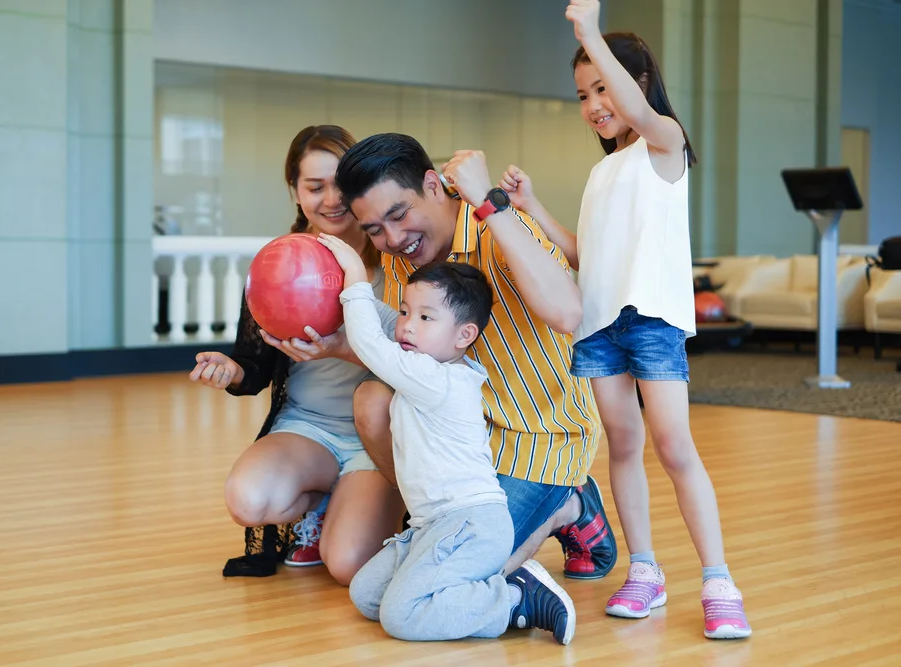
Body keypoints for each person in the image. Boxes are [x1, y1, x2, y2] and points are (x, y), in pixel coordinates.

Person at [528, 0, 744, 639]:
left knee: (675, 446)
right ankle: (644, 569)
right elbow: (582, 256)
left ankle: (718, 579)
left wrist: (590, 33)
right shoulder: (602, 171)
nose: (594, 102)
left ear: (639, 82)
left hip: (650, 320)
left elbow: (643, 113)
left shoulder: (664, 142)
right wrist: (531, 206)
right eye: (583, 93)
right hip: (599, 326)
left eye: (603, 85)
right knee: (622, 447)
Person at [335, 132, 618, 583]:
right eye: (374, 230)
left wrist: (490, 203)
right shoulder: (400, 256)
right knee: (372, 400)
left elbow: (567, 313)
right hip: (464, 445)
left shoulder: (499, 225)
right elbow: (413, 359)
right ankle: (432, 521)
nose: (392, 237)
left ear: (432, 185)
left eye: (399, 213)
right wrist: (336, 345)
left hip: (540, 439)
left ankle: (570, 503)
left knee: (463, 583)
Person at [317, 233, 575, 644]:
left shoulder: (437, 380)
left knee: (401, 617)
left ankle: (513, 597)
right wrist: (386, 312)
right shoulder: (431, 364)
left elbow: (369, 342)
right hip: (430, 526)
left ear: (464, 336)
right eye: (405, 311)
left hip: (469, 525)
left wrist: (353, 277)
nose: (406, 324)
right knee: (367, 596)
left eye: (425, 317)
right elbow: (383, 325)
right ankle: (480, 597)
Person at [189, 125, 405, 584]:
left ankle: (368, 504)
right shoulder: (279, 265)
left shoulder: (397, 259)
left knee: (346, 565)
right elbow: (254, 369)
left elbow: (422, 363)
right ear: (295, 191)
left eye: (341, 184)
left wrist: (344, 349)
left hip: (377, 438)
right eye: (315, 186)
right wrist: (231, 371)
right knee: (248, 500)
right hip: (307, 429)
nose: (332, 199)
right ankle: (324, 506)